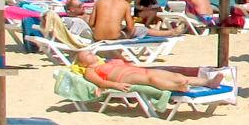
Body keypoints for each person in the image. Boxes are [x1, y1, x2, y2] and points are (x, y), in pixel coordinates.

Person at [73, 48, 229, 94]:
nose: (91, 53)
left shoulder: (106, 61)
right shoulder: (89, 70)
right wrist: (115, 86)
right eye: (86, 54)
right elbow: (100, 82)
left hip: (136, 70)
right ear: (82, 62)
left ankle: (209, 82)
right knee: (151, 81)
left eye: (90, 51)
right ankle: (177, 87)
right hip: (125, 78)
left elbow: (123, 58)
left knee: (175, 75)